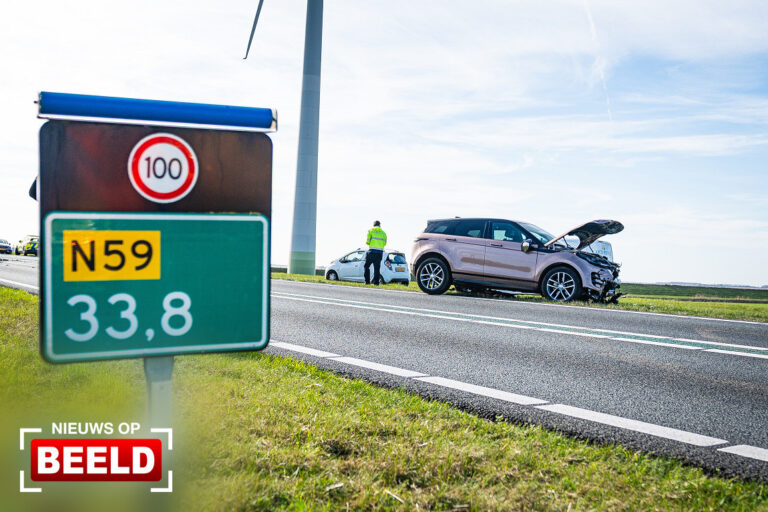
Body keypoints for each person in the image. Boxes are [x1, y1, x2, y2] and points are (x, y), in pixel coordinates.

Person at [364, 220, 387, 285]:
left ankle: (367, 282)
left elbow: (367, 242)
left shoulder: (370, 231)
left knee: (366, 266)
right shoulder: (383, 233)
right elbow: (384, 243)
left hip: (372, 251)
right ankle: (376, 283)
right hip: (379, 253)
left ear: (373, 225)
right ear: (380, 225)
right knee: (377, 269)